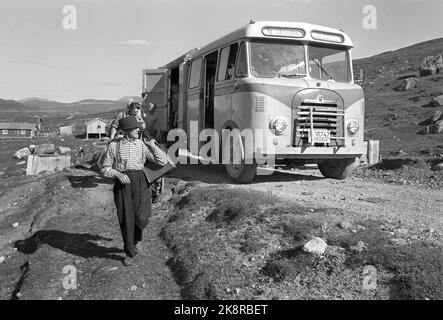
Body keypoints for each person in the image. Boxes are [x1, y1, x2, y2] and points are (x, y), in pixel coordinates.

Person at [100, 116, 167, 266]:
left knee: (142, 216)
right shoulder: (113, 146)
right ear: (126, 130)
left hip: (140, 181)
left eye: (138, 127)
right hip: (122, 183)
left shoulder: (142, 145)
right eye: (135, 128)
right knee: (126, 218)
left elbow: (162, 161)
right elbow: (104, 168)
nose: (139, 129)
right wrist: (117, 174)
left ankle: (138, 238)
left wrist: (153, 145)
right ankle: (130, 251)